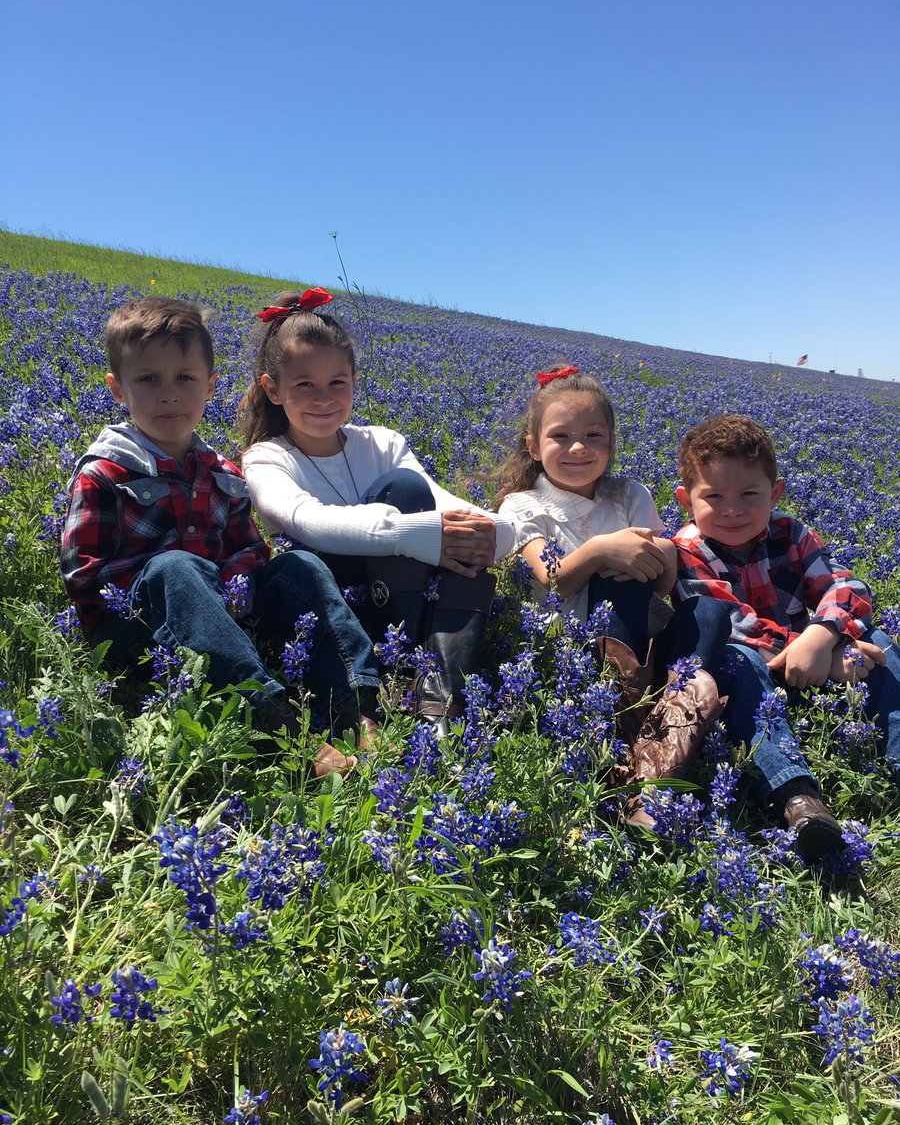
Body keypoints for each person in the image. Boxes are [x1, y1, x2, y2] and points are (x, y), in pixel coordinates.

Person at [59, 296, 382, 776]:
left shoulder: (223, 472)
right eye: (148, 379)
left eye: (184, 379)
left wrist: (233, 581)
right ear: (117, 390)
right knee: (176, 568)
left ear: (210, 386)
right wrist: (179, 583)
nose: (169, 394)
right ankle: (278, 727)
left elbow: (251, 549)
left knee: (300, 565)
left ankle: (355, 706)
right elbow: (85, 578)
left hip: (225, 621)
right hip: (142, 639)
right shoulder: (104, 472)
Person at [239, 288, 516, 732]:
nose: (323, 398)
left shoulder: (382, 443)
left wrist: (495, 532)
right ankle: (378, 686)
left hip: (402, 604)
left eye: (337, 383)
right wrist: (418, 536)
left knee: (407, 489)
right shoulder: (265, 458)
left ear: (354, 382)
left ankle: (435, 695)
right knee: (301, 561)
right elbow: (304, 519)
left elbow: (446, 504)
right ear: (272, 390)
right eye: (304, 385)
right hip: (330, 606)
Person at [495, 366, 731, 827]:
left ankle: (659, 751)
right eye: (560, 436)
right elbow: (553, 578)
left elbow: (663, 584)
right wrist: (605, 548)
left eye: (592, 435)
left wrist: (661, 551)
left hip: (645, 632)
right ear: (533, 446)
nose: (578, 447)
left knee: (710, 611)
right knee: (610, 578)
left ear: (611, 442)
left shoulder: (629, 493)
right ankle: (624, 736)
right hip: (571, 646)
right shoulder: (522, 504)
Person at [673, 413, 900, 863]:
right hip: (754, 685)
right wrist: (819, 649)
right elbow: (735, 623)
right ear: (685, 499)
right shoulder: (686, 549)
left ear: (775, 494)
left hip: (816, 662)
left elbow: (847, 586)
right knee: (736, 656)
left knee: (882, 640)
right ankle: (795, 795)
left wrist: (825, 634)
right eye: (713, 496)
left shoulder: (792, 533)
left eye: (749, 494)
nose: (732, 509)